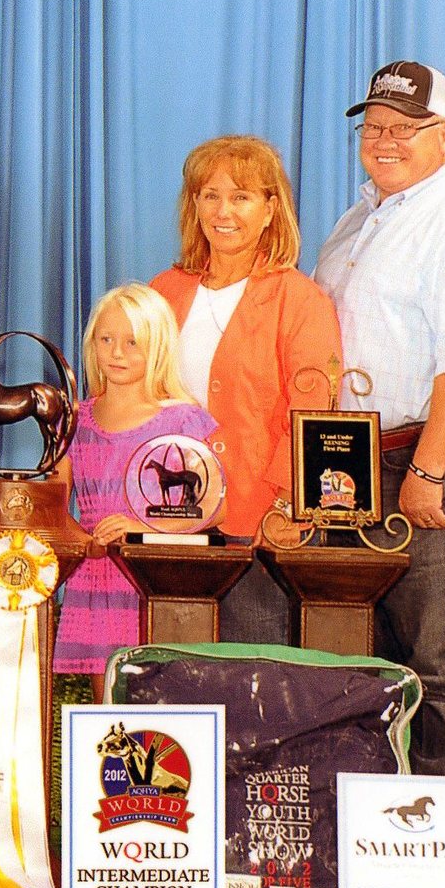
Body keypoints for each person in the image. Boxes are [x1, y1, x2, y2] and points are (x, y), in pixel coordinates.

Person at [312, 60, 445, 777]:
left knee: (438, 656)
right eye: (373, 126)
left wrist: (427, 471)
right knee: (356, 652)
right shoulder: (360, 217)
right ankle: (367, 834)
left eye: (405, 127)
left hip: (426, 454)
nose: (385, 139)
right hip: (346, 459)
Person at [148, 135, 343, 644]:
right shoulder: (164, 291)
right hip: (169, 519)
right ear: (193, 205)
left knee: (251, 674)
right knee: (176, 668)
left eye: (241, 197)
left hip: (256, 517)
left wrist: (284, 507)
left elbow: (313, 420)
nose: (223, 211)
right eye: (210, 195)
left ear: (270, 208)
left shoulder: (300, 300)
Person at [54, 285, 225, 676]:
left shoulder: (181, 420)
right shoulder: (74, 421)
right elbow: (55, 506)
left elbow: (216, 505)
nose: (117, 352)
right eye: (106, 339)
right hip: (94, 578)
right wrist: (82, 542)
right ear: (91, 343)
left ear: (159, 347)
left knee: (152, 699)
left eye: (133, 342)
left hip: (152, 581)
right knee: (102, 712)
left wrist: (144, 532)